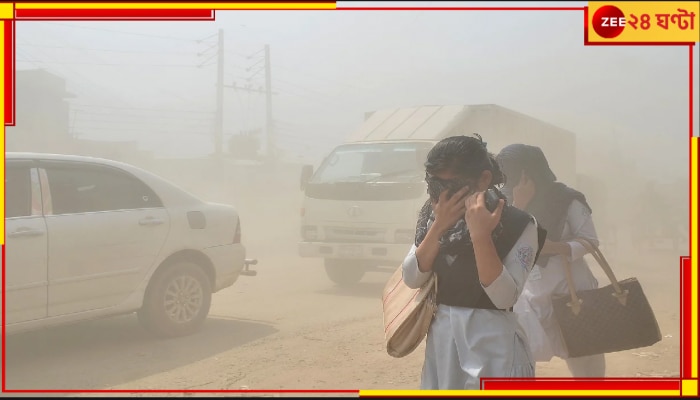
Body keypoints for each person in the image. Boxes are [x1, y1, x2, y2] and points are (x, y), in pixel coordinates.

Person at [402, 135, 546, 390]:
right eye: (436, 185)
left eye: (454, 185)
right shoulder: (432, 217)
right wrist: (438, 226)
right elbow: (412, 277)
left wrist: (481, 236)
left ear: (483, 179)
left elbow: (503, 298)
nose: (443, 195)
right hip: (444, 348)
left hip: (494, 352)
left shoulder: (518, 224)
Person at [496, 143, 606, 377]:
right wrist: (521, 204)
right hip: (528, 292)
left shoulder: (567, 199)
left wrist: (555, 248)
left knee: (584, 358)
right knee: (520, 356)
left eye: (513, 172)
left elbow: (590, 240)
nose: (507, 179)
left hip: (571, 289)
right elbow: (501, 243)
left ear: (528, 172)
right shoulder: (503, 202)